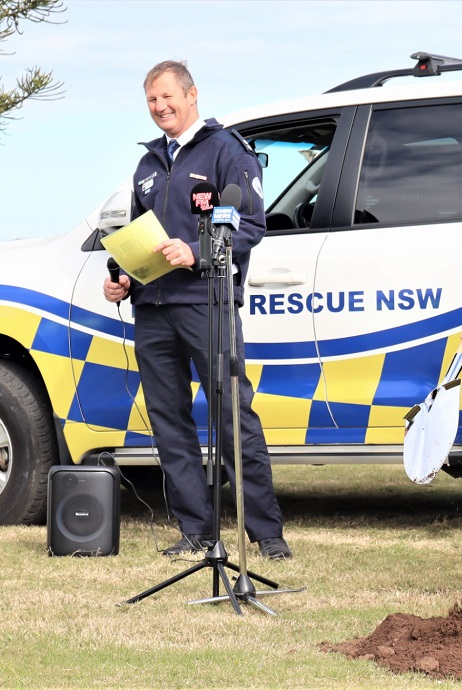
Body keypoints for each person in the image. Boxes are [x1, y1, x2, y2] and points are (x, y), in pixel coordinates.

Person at [103, 60, 290, 560]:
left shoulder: (227, 152)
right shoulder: (147, 165)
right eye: (151, 101)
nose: (160, 107)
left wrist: (197, 252)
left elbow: (250, 226)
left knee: (232, 416)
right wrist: (119, 277)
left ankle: (266, 536)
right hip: (153, 309)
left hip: (206, 305)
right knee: (169, 421)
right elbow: (134, 236)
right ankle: (196, 531)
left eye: (167, 97)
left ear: (191, 95)